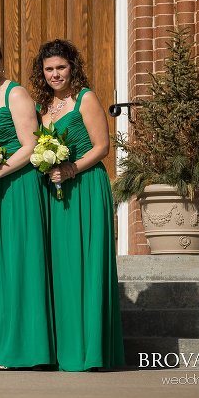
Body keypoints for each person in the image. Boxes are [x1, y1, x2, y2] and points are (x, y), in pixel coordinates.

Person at [30, 39, 125, 371]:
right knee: (62, 268)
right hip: (56, 193)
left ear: (73, 68)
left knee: (87, 264)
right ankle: (66, 348)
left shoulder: (85, 98)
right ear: (42, 73)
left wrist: (70, 169)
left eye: (61, 67)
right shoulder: (42, 108)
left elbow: (102, 147)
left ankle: (91, 350)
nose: (55, 74)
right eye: (49, 69)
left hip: (85, 188)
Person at [0, 30, 55, 369]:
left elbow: (30, 146)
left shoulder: (15, 94)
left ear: (1, 61)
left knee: (19, 264)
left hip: (17, 186)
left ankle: (25, 350)